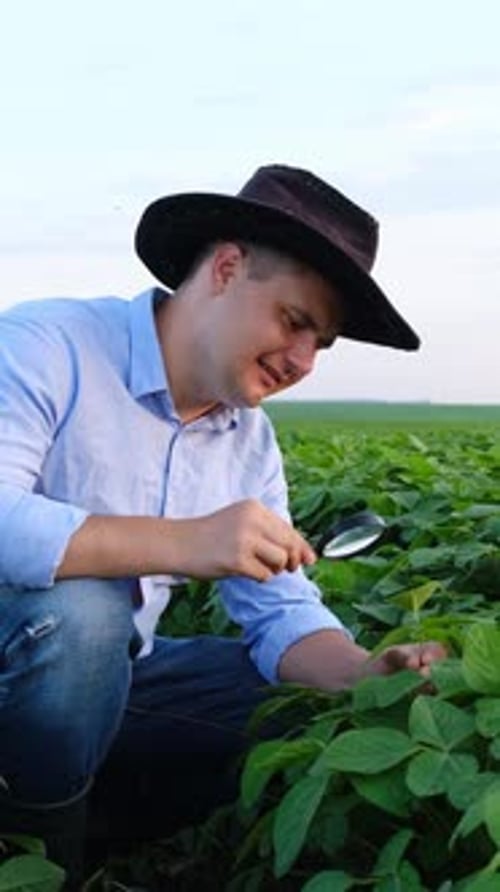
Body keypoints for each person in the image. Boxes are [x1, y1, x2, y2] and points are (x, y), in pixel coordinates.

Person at [0, 164, 445, 886]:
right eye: (295, 322)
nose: (302, 362)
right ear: (227, 268)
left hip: (109, 686)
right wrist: (186, 540)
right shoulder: (50, 344)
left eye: (321, 345)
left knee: (300, 710)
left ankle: (80, 813)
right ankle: (44, 859)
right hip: (17, 667)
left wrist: (366, 677)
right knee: (86, 613)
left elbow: (283, 608)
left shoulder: (248, 440)